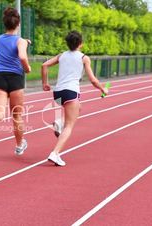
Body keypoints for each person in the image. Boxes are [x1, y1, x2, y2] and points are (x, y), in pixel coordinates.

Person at [41, 31, 108, 166]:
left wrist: (45, 83)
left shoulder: (61, 56)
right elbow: (93, 80)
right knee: (69, 126)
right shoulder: (84, 58)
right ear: (81, 44)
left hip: (58, 93)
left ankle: (59, 122)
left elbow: (44, 65)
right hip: (71, 92)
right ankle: (55, 153)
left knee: (78, 108)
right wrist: (103, 89)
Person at [0, 7, 31, 155]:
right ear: (18, 24)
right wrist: (27, 68)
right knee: (17, 116)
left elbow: (11, 43)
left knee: (0, 112)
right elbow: (21, 56)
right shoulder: (20, 41)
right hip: (15, 79)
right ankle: (19, 145)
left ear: (5, 24)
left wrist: (25, 42)